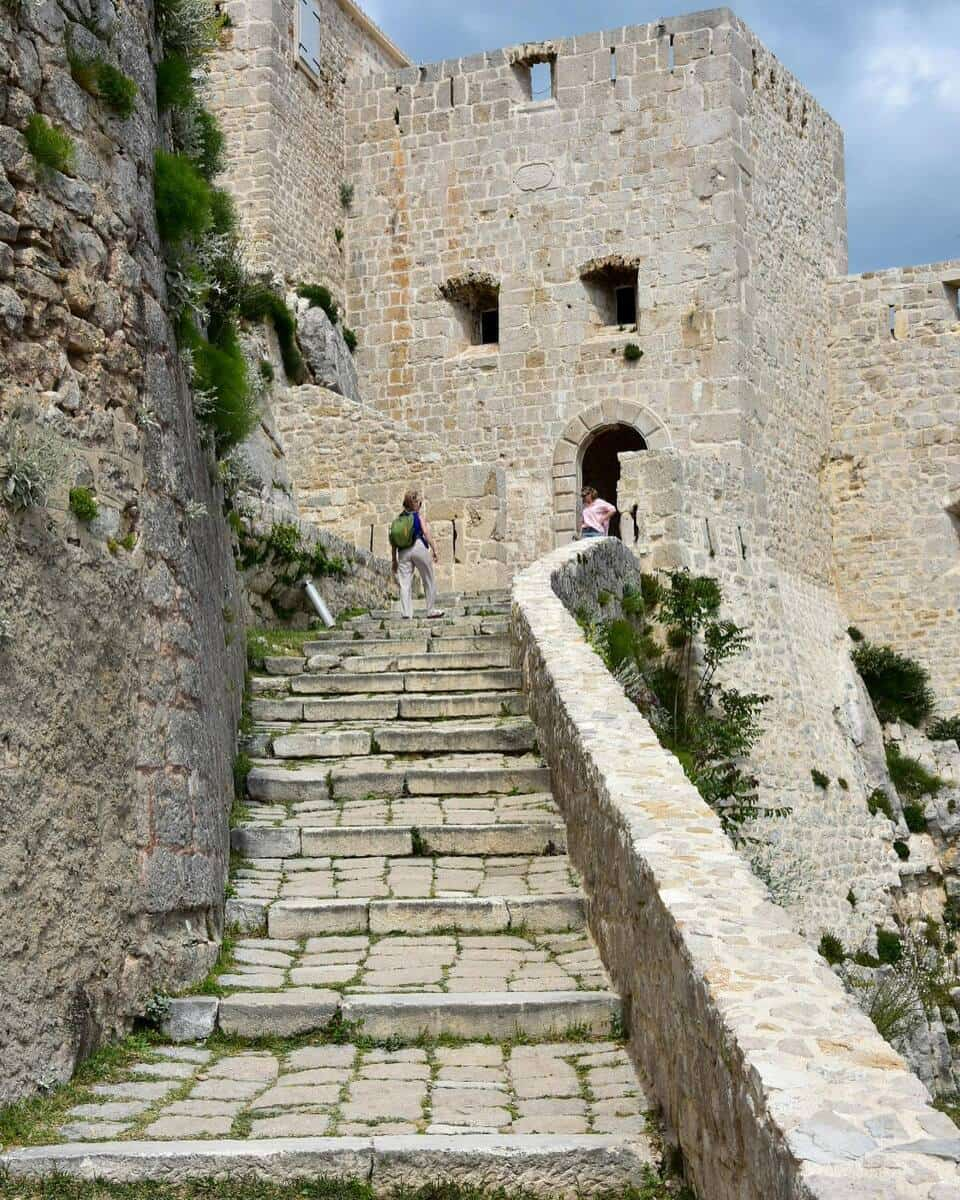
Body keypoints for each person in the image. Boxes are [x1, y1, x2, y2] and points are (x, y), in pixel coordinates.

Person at [391, 489, 445, 619]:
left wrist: (394, 560)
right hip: (418, 546)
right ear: (415, 504)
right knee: (428, 578)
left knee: (404, 584)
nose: (419, 506)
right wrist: (435, 549)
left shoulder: (398, 520)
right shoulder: (417, 516)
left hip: (402, 552)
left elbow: (393, 541)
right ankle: (431, 610)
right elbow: (426, 532)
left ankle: (406, 614)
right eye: (419, 503)